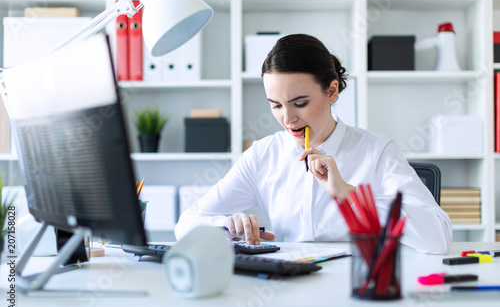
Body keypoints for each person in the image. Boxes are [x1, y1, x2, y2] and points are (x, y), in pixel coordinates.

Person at [175, 34, 452, 254]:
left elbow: (438, 237)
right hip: (287, 289)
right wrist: (225, 225)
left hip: (357, 289)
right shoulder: (263, 155)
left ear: (331, 91)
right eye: (276, 105)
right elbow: (186, 223)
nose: (288, 118)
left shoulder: (376, 150)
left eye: (300, 103)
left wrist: (349, 195)